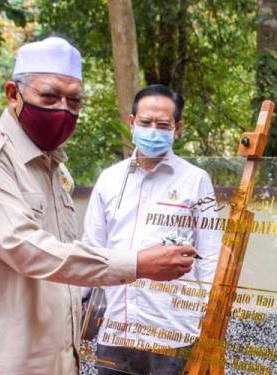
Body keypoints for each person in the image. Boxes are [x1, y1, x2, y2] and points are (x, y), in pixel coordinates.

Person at [0, 37, 197, 375]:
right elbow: (27, 249)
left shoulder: (56, 169)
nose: (62, 109)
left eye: (74, 100)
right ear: (14, 94)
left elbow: (68, 257)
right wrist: (137, 263)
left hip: (51, 358)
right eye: (49, 96)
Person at [82, 84, 220, 374]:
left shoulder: (196, 181)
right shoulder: (109, 180)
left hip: (172, 333)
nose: (153, 130)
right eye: (145, 122)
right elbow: (92, 250)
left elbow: (210, 257)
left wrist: (212, 327)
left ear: (177, 129)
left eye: (162, 124)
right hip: (115, 331)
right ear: (132, 123)